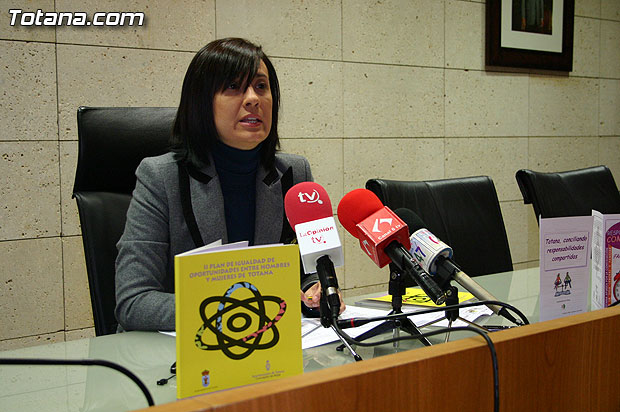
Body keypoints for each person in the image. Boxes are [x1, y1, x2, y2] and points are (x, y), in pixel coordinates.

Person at [114, 37, 342, 332]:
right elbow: (133, 301)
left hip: (268, 348)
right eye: (234, 87)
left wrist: (316, 291)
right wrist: (238, 309)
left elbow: (306, 274)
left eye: (261, 86)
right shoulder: (161, 177)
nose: (253, 99)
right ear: (201, 103)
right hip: (176, 354)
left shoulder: (294, 174)